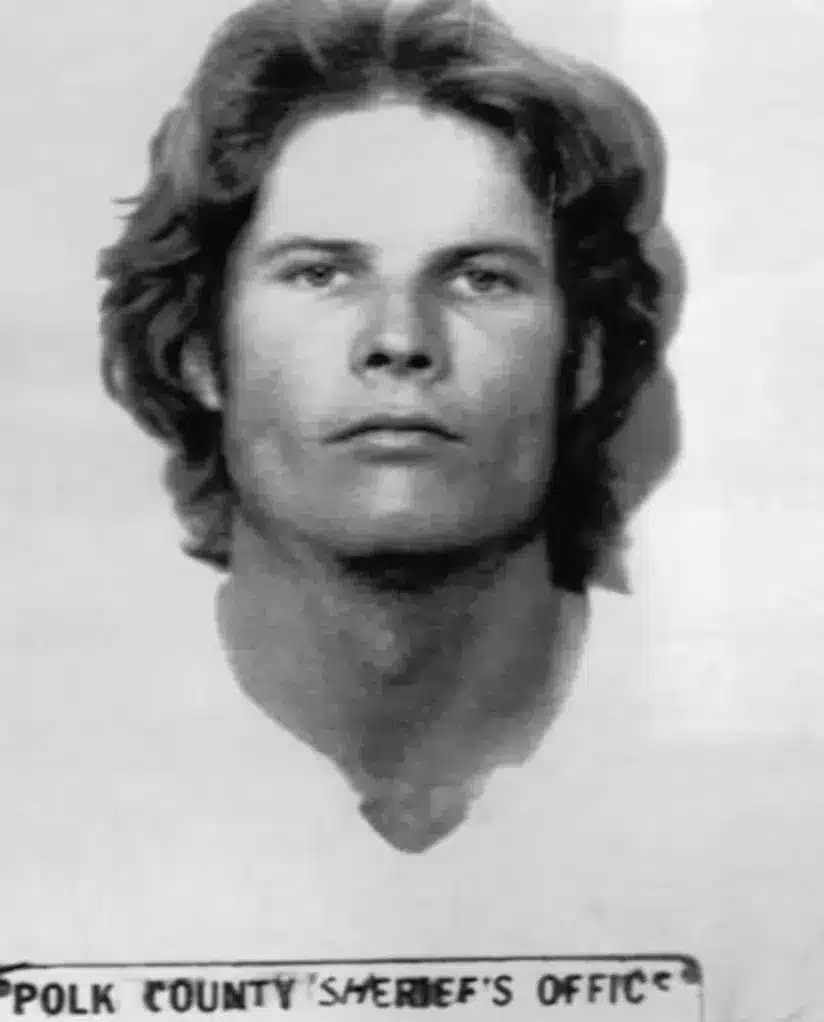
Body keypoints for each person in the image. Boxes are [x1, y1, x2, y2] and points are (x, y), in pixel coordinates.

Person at [97, 0, 680, 853]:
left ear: (584, 358)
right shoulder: (48, 768)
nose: (400, 339)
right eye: (321, 274)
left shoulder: (772, 781)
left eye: (481, 279)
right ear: (198, 352)